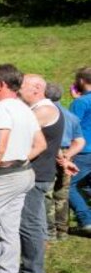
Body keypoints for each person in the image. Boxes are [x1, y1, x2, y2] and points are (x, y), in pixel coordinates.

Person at [0, 64, 45, 273]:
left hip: (3, 176)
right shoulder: (25, 109)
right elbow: (41, 144)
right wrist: (20, 160)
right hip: (24, 174)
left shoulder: (0, 109)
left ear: (0, 84)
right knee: (8, 229)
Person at [17, 74, 63, 273]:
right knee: (35, 221)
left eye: (21, 86)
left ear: (36, 89)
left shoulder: (43, 111)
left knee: (29, 224)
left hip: (36, 174)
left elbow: (20, 133)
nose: (17, 89)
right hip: (41, 172)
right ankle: (33, 269)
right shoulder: (43, 108)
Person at [49, 82, 85, 241]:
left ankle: (49, 232)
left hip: (49, 153)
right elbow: (79, 140)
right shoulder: (71, 116)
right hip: (67, 153)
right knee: (62, 194)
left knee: (47, 194)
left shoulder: (45, 114)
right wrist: (67, 156)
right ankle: (62, 231)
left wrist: (59, 157)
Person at [69, 67, 91, 234]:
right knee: (87, 185)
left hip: (84, 150)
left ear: (82, 81)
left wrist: (77, 100)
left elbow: (71, 126)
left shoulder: (81, 103)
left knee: (69, 185)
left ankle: (86, 221)